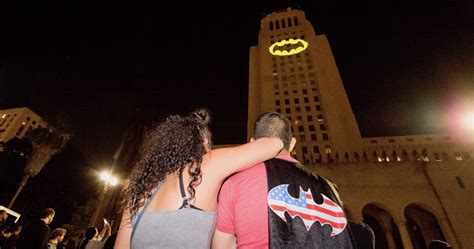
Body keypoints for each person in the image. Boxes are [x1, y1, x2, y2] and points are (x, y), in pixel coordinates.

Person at [114, 109, 284, 248]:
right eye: (208, 143)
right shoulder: (202, 167)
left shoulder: (138, 192)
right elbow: (274, 143)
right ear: (201, 142)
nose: (209, 148)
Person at [212, 112, 356, 248]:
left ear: (253, 143)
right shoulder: (329, 187)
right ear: (292, 143)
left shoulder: (235, 182)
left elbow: (222, 246)